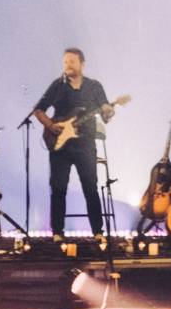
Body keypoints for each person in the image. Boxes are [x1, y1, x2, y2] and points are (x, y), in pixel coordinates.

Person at [34, 47, 116, 240]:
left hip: (85, 145)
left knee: (90, 187)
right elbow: (38, 110)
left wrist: (109, 111)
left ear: (82, 64)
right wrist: (50, 125)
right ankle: (57, 232)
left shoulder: (94, 86)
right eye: (65, 62)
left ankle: (97, 232)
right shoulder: (58, 85)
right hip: (60, 145)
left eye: (71, 61)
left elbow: (105, 115)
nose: (67, 65)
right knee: (58, 188)